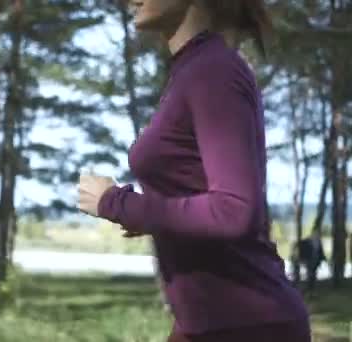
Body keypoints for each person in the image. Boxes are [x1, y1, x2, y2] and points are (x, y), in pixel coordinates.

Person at [77, 1, 311, 341]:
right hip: (209, 323)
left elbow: (232, 210)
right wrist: (159, 218)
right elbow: (206, 197)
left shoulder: (213, 70)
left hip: (249, 324)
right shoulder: (194, 70)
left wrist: (116, 203)